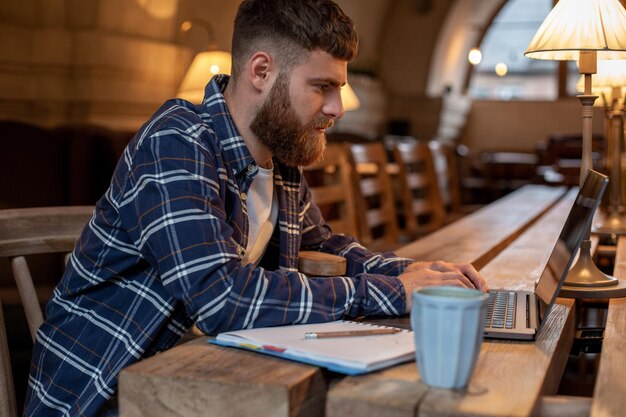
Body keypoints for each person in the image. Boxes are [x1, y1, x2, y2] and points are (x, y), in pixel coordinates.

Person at [23, 0, 487, 415]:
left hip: (202, 376)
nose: (337, 107)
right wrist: (392, 292)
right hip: (104, 393)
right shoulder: (177, 141)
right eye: (322, 86)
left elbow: (325, 246)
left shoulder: (279, 159)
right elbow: (221, 298)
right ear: (261, 72)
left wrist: (420, 274)